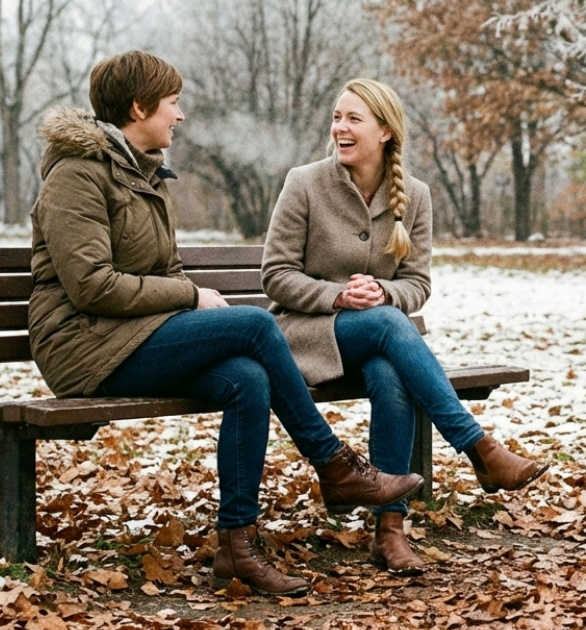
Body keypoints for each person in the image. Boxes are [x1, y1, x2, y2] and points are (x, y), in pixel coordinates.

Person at [27, 51, 423, 597]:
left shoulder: (144, 173)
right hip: (84, 350)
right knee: (255, 327)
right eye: (172, 103)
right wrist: (191, 296)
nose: (180, 115)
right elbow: (92, 285)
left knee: (247, 378)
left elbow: (160, 271)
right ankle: (333, 464)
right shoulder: (77, 175)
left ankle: (237, 547)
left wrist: (184, 300)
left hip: (131, 338)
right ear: (139, 108)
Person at [261, 78, 548, 576]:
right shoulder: (304, 183)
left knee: (391, 374)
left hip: (375, 338)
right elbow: (276, 275)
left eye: (354, 119)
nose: (340, 128)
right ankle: (479, 448)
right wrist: (337, 295)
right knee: (391, 326)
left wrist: (385, 292)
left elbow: (417, 282)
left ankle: (389, 531)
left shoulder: (414, 196)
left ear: (385, 132)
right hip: (307, 336)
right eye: (337, 117)